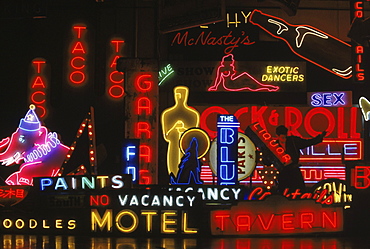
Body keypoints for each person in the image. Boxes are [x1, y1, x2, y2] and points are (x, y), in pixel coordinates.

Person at [275, 125, 326, 193]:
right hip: (282, 172)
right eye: (282, 137)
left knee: (299, 191)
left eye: (285, 137)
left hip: (294, 170)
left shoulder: (293, 141)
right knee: (283, 191)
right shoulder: (274, 146)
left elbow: (307, 142)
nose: (284, 140)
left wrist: (320, 137)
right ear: (277, 136)